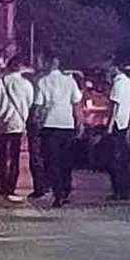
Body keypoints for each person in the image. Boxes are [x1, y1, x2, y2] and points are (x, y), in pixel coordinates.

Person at [32, 56, 82, 207]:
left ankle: (58, 193)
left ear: (47, 64)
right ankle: (66, 189)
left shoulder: (43, 81)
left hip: (50, 125)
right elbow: (76, 103)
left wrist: (35, 121)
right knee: (65, 160)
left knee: (52, 161)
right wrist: (79, 122)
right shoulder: (70, 80)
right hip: (67, 124)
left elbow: (39, 106)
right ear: (58, 64)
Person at [0, 55, 34, 202]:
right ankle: (11, 187)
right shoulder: (26, 85)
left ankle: (3, 185)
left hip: (2, 124)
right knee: (14, 157)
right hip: (18, 123)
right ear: (20, 67)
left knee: (2, 157)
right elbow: (29, 103)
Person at [106, 64, 130, 200]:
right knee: (125, 159)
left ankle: (118, 190)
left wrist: (109, 126)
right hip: (127, 123)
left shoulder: (118, 85)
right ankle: (126, 189)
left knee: (115, 160)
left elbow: (114, 107)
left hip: (118, 124)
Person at [26, 57, 49, 200]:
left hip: (37, 124)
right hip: (49, 123)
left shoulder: (37, 82)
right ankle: (47, 184)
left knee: (36, 156)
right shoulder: (44, 80)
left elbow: (34, 105)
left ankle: (40, 187)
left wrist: (32, 120)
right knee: (47, 155)